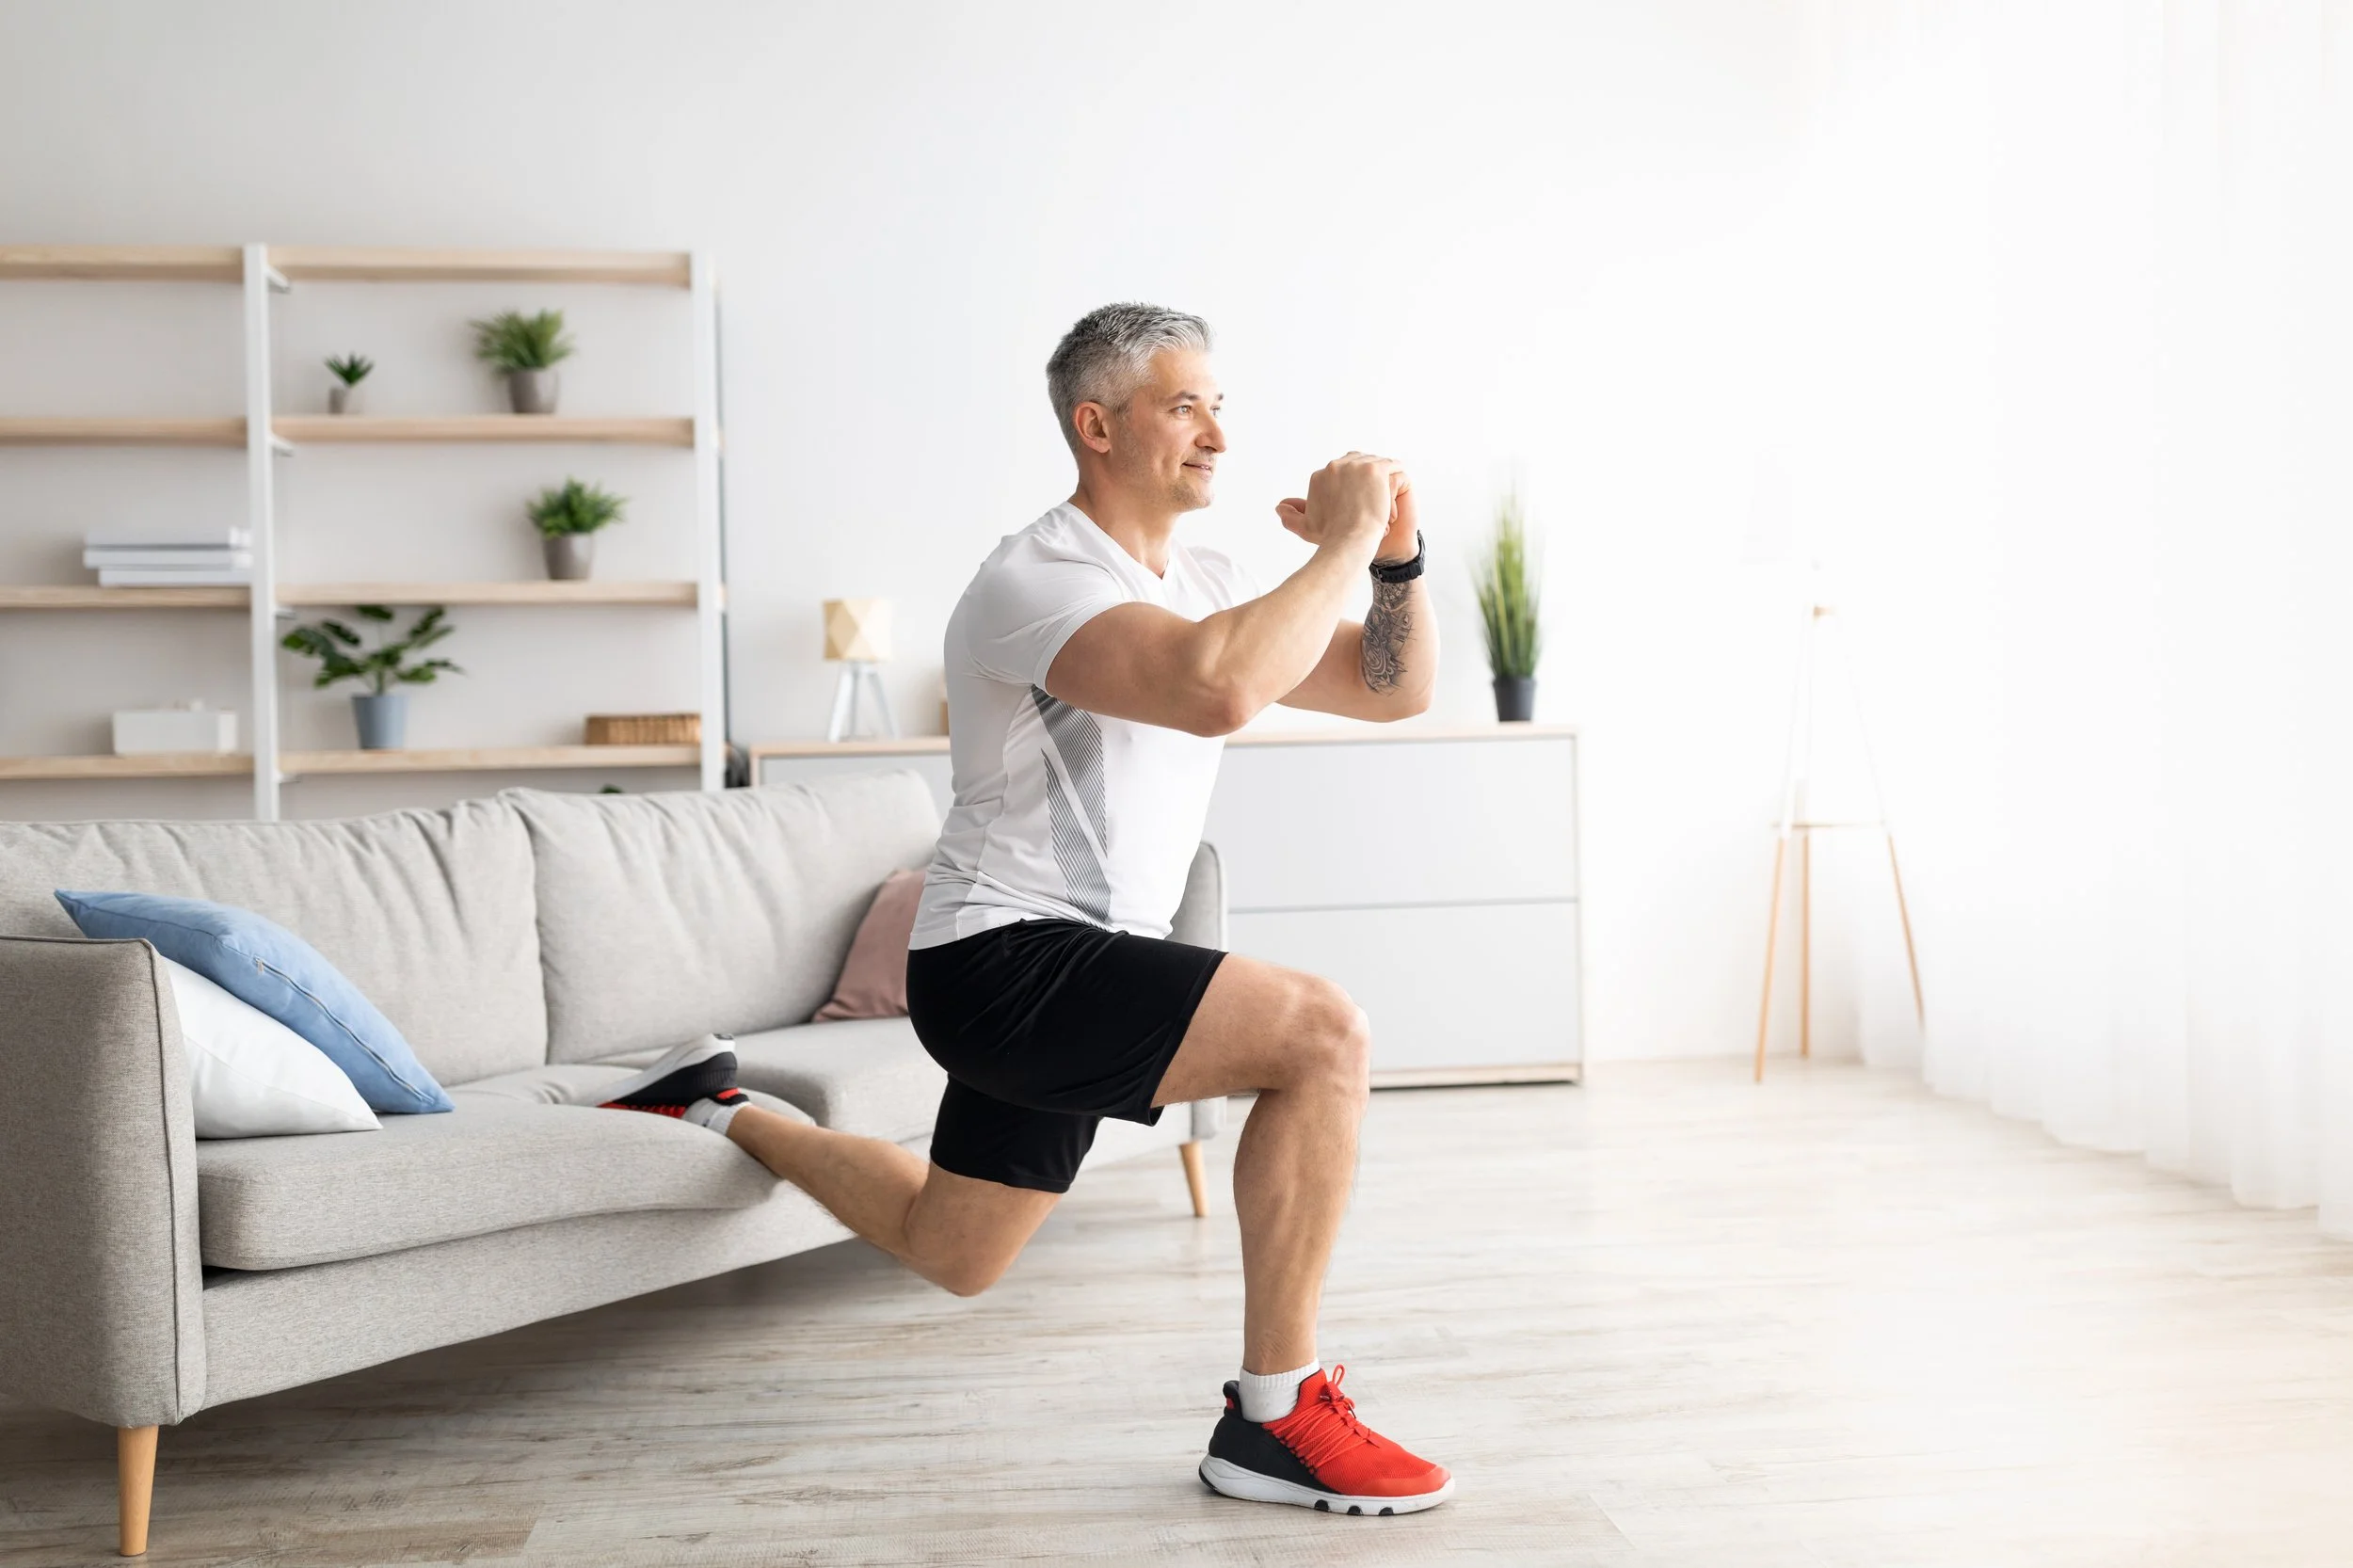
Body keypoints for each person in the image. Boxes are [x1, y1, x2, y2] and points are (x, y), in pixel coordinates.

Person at [599, 302, 1450, 1515]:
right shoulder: (1035, 576)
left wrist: (1392, 559)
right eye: (1184, 404)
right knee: (1323, 1033)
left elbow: (1395, 692)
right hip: (1006, 959)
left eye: (1221, 403)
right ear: (1095, 426)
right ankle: (1277, 1416)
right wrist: (1339, 541)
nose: (1216, 432)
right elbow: (1214, 692)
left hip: (1070, 963)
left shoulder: (1204, 577)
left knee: (957, 1250)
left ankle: (717, 1105)